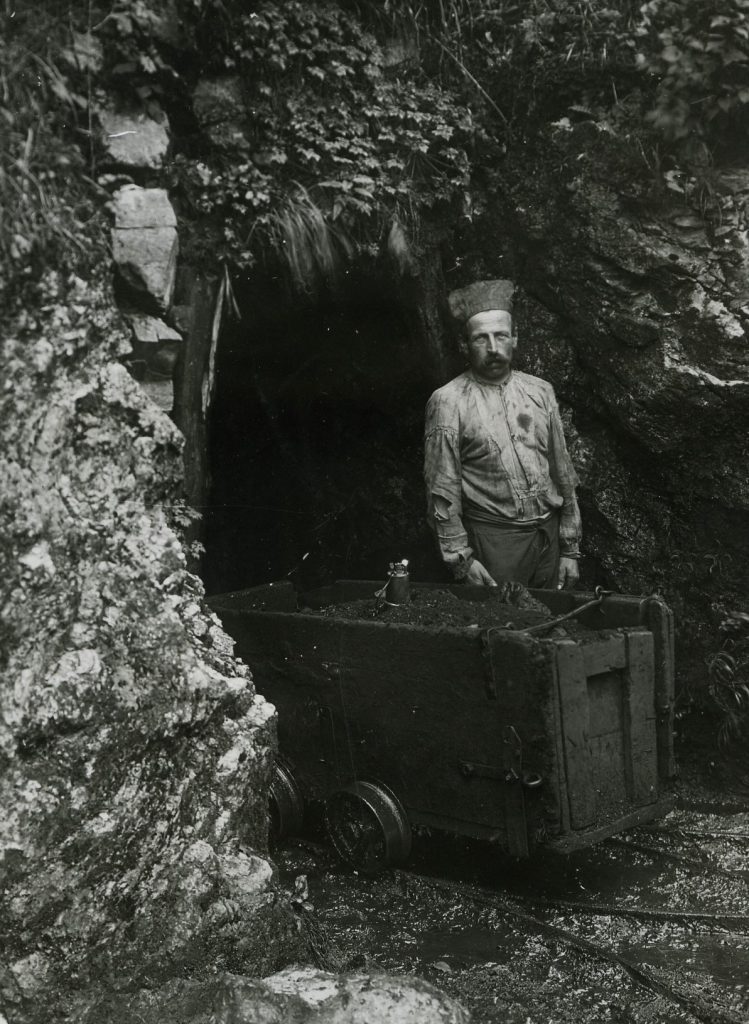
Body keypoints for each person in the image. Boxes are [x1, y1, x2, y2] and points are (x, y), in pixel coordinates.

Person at [424, 279, 581, 590]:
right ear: (465, 345)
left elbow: (563, 472)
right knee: (505, 633)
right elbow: (440, 491)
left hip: (548, 543)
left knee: (552, 629)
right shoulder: (448, 401)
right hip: (494, 547)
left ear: (515, 339)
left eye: (501, 336)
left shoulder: (540, 391)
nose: (493, 348)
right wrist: (461, 560)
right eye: (481, 339)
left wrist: (570, 549)